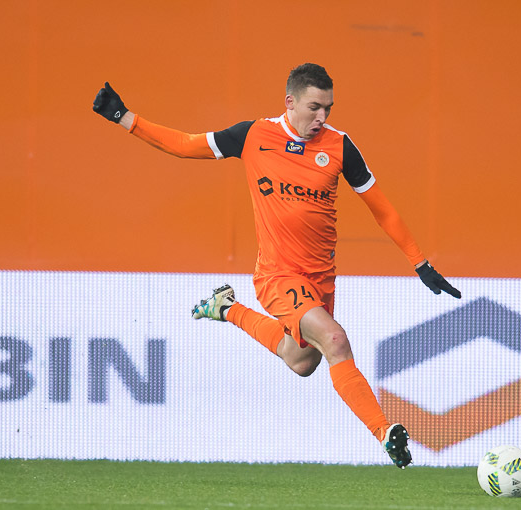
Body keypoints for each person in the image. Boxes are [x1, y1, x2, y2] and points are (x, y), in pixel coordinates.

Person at [92, 63, 461, 468]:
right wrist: (124, 118)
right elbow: (184, 144)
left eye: (328, 108)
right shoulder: (253, 135)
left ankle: (226, 308)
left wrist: (419, 263)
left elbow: (382, 209)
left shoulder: (340, 146)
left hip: (321, 280)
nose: (321, 117)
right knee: (335, 340)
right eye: (314, 107)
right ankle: (385, 432)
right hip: (277, 275)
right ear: (290, 102)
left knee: (301, 362)